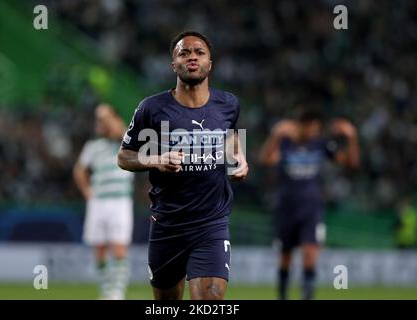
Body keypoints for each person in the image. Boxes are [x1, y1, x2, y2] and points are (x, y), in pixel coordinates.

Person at [118, 30, 248, 300]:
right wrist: (155, 159)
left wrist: (240, 158)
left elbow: (231, 136)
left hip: (211, 223)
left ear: (209, 64)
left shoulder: (228, 104)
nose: (192, 57)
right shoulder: (151, 109)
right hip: (168, 225)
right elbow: (124, 156)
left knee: (209, 298)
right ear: (173, 64)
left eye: (199, 53)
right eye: (184, 53)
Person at [258, 110, 359, 300]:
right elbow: (264, 159)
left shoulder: (320, 145)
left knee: (310, 254)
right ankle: (282, 296)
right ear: (301, 125)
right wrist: (275, 135)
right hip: (286, 208)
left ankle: (308, 297)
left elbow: (351, 163)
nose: (314, 132)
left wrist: (352, 136)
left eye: (317, 128)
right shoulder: (285, 143)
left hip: (312, 209)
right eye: (311, 128)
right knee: (286, 257)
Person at [74, 104, 134, 300]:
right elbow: (79, 170)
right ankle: (106, 290)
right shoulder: (93, 146)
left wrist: (107, 116)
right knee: (99, 249)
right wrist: (87, 191)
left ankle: (117, 293)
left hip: (119, 201)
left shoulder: (124, 140)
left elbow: (117, 130)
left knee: (118, 247)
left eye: (104, 118)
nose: (101, 122)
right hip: (98, 201)